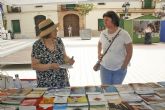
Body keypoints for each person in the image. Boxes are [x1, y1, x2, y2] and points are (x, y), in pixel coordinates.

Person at [31, 18, 75, 88]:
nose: (57, 30)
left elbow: (64, 56)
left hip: (62, 81)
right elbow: (34, 66)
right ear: (48, 32)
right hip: (46, 84)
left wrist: (69, 60)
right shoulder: (37, 45)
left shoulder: (59, 40)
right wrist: (50, 66)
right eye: (54, 29)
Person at [97, 11, 133, 85]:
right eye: (104, 20)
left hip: (119, 68)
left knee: (116, 89)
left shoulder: (124, 34)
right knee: (105, 88)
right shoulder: (103, 33)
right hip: (105, 67)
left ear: (113, 20)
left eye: (107, 20)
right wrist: (99, 53)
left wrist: (124, 65)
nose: (104, 22)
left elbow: (130, 51)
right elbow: (99, 43)